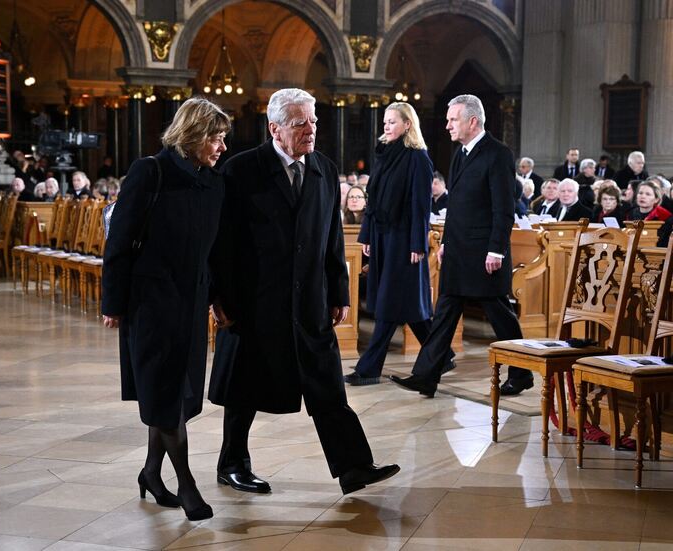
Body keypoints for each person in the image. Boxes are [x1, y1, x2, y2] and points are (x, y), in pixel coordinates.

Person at [209, 88, 399, 497]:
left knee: (327, 384)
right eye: (300, 124)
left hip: (310, 298)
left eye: (313, 121)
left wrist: (340, 291)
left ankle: (353, 467)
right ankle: (232, 464)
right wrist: (217, 296)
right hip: (254, 300)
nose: (310, 130)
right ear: (275, 128)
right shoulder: (241, 170)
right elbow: (220, 241)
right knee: (244, 387)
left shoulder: (325, 169)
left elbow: (332, 237)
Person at [101, 97, 231, 521]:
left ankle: (151, 473)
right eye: (216, 137)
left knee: (177, 395)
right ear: (193, 134)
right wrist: (113, 302)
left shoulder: (213, 182)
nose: (222, 147)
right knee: (165, 395)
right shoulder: (150, 172)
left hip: (191, 304)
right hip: (150, 304)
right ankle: (187, 485)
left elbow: (213, 253)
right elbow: (119, 241)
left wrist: (217, 299)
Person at [390, 94, 534, 397]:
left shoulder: (498, 154)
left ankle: (521, 374)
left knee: (500, 316)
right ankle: (426, 376)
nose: (447, 126)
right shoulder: (460, 153)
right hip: (458, 251)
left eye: (452, 119)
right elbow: (456, 206)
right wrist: (446, 243)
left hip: (485, 254)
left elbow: (503, 208)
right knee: (443, 315)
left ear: (472, 121)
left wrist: (496, 249)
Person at [344, 101, 454, 386]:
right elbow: (373, 199)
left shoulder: (418, 158)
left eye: (392, 122)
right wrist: (366, 235)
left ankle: (369, 369)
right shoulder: (384, 154)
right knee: (408, 307)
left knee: (389, 302)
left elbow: (419, 205)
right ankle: (442, 355)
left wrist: (418, 243)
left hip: (405, 240)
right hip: (382, 236)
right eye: (385, 122)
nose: (387, 126)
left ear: (407, 124)